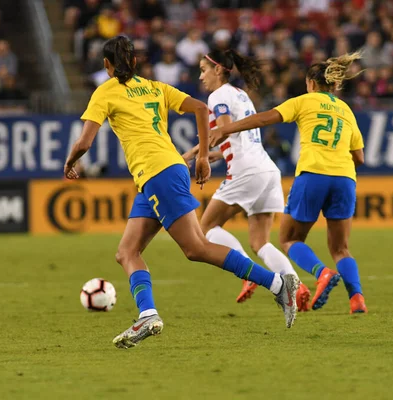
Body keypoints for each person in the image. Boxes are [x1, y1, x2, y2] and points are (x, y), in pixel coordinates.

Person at [64, 36, 300, 349]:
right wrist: (202, 155)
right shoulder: (154, 87)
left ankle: (277, 283)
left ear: (106, 65)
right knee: (126, 252)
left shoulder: (104, 92)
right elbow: (201, 108)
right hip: (157, 174)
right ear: (134, 62)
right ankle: (148, 314)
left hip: (158, 173)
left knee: (197, 248)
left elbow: (84, 142)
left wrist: (71, 161)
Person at [210, 51, 368, 314]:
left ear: (312, 84)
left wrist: (225, 129)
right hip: (345, 179)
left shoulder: (305, 102)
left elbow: (264, 118)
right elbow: (359, 157)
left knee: (289, 239)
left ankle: (322, 273)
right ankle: (357, 299)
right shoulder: (346, 110)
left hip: (313, 175)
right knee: (341, 248)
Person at [182, 49, 311, 310]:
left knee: (205, 230)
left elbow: (224, 126)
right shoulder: (241, 94)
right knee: (261, 242)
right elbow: (238, 137)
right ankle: (297, 288)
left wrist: (201, 152)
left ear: (218, 70)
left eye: (204, 70)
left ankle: (248, 274)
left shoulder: (218, 94)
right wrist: (216, 153)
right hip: (266, 170)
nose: (201, 76)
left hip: (245, 171)